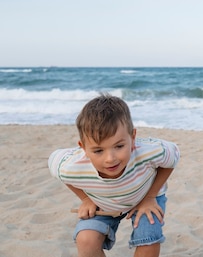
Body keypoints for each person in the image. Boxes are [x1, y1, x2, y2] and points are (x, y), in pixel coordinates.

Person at [48, 94, 180, 257]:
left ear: (132, 138)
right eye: (98, 150)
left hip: (145, 196)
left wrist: (150, 196)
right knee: (86, 240)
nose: (110, 159)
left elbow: (173, 156)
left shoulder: (149, 151)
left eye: (119, 146)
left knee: (148, 239)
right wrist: (86, 199)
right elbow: (55, 164)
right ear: (83, 148)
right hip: (104, 202)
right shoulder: (71, 166)